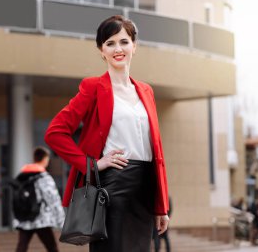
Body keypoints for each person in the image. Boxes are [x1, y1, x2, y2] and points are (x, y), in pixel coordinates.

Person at [45, 15, 169, 252]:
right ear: (101, 51)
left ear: (135, 46)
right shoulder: (93, 87)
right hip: (114, 185)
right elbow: (55, 133)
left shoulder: (146, 91)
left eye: (123, 41)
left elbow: (157, 151)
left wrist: (161, 206)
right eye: (109, 43)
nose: (117, 49)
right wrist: (91, 164)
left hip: (145, 189)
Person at [13, 146, 64, 252]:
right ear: (45, 159)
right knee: (52, 248)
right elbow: (53, 199)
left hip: (25, 217)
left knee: (21, 247)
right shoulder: (44, 177)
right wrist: (61, 220)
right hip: (41, 218)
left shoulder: (22, 176)